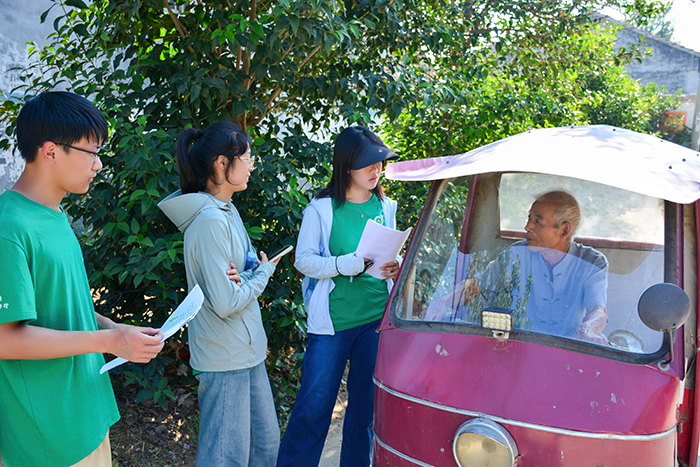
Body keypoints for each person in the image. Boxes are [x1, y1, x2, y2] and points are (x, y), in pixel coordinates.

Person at [0, 91, 164, 467]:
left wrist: (115, 327)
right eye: (91, 152)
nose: (99, 164)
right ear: (52, 151)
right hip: (47, 437)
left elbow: (66, 308)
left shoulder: (55, 216)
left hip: (85, 416)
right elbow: (5, 339)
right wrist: (108, 339)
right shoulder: (9, 227)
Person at [277, 126, 401, 467]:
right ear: (347, 165)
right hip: (333, 324)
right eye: (369, 165)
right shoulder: (321, 209)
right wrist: (342, 264)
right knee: (313, 409)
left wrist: (397, 265)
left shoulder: (385, 205)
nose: (377, 171)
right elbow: (303, 260)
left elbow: (389, 251)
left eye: (381, 164)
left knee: (364, 410)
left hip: (375, 321)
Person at [159, 122, 280, 467]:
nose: (253, 163)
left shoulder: (229, 211)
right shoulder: (209, 222)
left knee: (265, 449)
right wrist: (262, 274)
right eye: (246, 156)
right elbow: (227, 301)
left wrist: (246, 276)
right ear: (221, 164)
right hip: (225, 358)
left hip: (247, 352)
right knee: (226, 459)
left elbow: (242, 271)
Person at [454, 190, 608, 343]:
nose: (527, 227)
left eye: (538, 221)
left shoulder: (592, 263)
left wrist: (587, 330)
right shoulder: (517, 254)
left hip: (568, 353)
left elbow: (597, 311)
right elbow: (476, 285)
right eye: (529, 219)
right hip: (520, 350)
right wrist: (442, 304)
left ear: (564, 230)